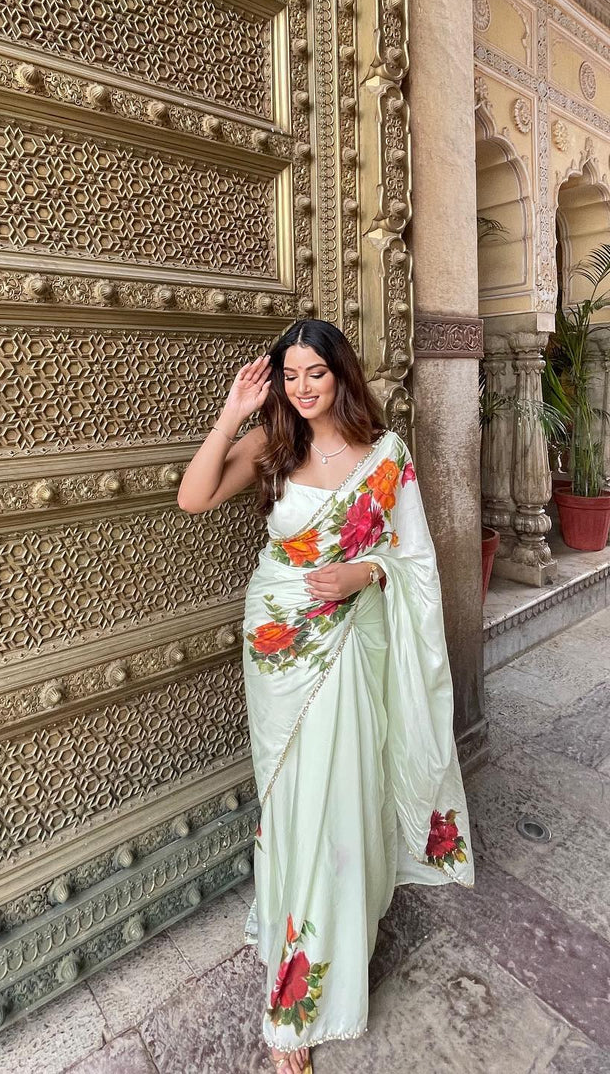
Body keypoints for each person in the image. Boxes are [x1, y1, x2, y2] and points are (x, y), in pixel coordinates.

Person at [177, 320, 474, 1073]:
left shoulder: (386, 457)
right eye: (291, 375)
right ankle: (293, 958)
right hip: (278, 643)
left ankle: (305, 989)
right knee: (294, 800)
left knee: (340, 793)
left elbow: (411, 559)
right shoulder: (273, 448)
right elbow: (193, 496)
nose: (303, 388)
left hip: (350, 639)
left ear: (342, 374)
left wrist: (361, 573)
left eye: (316, 373)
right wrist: (231, 412)